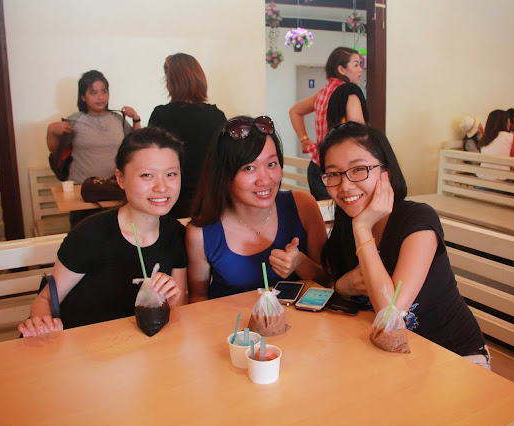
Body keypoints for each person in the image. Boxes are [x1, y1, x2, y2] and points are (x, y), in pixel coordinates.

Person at [318, 122, 489, 369]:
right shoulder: (345, 227)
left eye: (358, 169)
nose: (345, 186)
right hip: (391, 359)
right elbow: (331, 282)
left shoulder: (418, 221)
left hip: (455, 360)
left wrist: (363, 228)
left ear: (385, 172)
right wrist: (342, 285)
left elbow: (390, 314)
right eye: (333, 174)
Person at [19, 127, 187, 337]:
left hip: (143, 350)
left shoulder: (176, 234)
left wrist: (172, 300)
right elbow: (45, 300)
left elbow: (177, 308)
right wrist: (41, 323)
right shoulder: (90, 234)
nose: (162, 187)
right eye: (147, 175)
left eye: (171, 174)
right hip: (84, 347)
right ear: (120, 178)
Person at [186, 116, 329, 302]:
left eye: (271, 164)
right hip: (232, 321)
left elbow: (327, 281)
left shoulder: (303, 206)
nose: (265, 180)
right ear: (224, 174)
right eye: (249, 168)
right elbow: (198, 299)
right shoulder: (201, 234)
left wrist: (300, 263)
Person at [46, 70, 142, 227]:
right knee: (84, 234)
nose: (100, 97)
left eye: (104, 91)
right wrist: (51, 130)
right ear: (83, 97)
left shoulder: (118, 119)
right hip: (82, 190)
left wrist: (136, 120)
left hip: (113, 188)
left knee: (114, 233)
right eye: (94, 92)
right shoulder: (74, 120)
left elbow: (136, 145)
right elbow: (55, 151)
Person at [148, 53, 226, 219]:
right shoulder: (216, 116)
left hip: (172, 202)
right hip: (210, 201)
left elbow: (151, 161)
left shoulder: (162, 115)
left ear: (172, 81)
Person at [289, 47, 365, 200]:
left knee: (323, 213)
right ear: (341, 69)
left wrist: (304, 139)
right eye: (356, 64)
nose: (360, 69)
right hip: (339, 169)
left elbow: (295, 111)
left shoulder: (322, 93)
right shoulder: (348, 94)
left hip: (317, 165)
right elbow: (359, 135)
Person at [477, 109, 514, 181]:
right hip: (501, 182)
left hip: (480, 182)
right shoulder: (512, 137)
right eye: (509, 121)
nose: (510, 124)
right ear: (504, 123)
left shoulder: (485, 139)